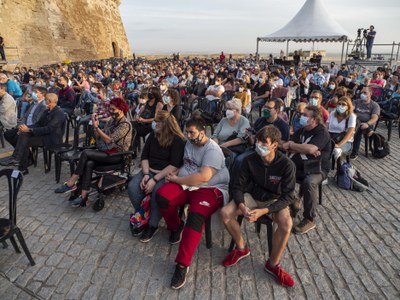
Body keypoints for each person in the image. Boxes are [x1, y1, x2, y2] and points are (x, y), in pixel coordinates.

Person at [155, 116, 230, 289]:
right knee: (162, 196)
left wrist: (176, 180)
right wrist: (175, 176)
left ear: (202, 133)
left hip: (210, 188)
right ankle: (175, 226)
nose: (188, 135)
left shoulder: (212, 150)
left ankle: (182, 264)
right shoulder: (189, 143)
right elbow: (187, 164)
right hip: (187, 183)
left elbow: (203, 176)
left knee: (196, 216)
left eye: (192, 132)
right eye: (187, 131)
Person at [220, 125, 296, 287]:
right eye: (258, 141)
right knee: (226, 213)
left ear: (275, 145)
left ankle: (273, 264)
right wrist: (242, 206)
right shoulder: (248, 159)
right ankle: (241, 248)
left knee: (286, 224)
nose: (259, 145)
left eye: (264, 142)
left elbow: (289, 196)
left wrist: (265, 211)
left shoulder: (287, 165)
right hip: (252, 196)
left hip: (273, 201)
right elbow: (237, 186)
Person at [54, 98, 132, 207]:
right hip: (106, 151)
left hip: (117, 155)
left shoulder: (125, 124)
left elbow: (109, 139)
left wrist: (96, 127)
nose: (111, 111)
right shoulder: (112, 120)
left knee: (86, 153)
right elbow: (100, 136)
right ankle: (84, 197)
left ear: (121, 109)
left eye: (113, 109)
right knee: (89, 163)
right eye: (110, 109)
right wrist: (96, 128)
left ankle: (72, 182)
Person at [127, 110, 186, 242]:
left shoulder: (177, 140)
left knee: (156, 194)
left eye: (157, 122)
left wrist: (154, 179)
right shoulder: (153, 136)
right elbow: (144, 156)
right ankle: (143, 214)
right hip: (149, 170)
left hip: (165, 173)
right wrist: (147, 174)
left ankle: (152, 225)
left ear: (165, 124)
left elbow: (174, 164)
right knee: (132, 187)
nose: (154, 124)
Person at [282, 105, 331, 234]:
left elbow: (309, 149)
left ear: (314, 119)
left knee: (309, 182)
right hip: (300, 165)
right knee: (282, 172)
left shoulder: (322, 132)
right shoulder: (302, 130)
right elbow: (288, 146)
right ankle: (293, 201)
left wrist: (297, 146)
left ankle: (309, 219)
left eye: (305, 115)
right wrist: (303, 147)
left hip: (317, 168)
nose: (301, 117)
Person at [0, 93, 65, 175]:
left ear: (49, 101)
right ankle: (18, 159)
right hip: (42, 133)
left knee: (24, 140)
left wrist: (29, 130)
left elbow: (49, 129)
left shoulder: (58, 113)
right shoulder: (47, 111)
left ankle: (21, 165)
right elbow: (38, 124)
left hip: (50, 138)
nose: (44, 102)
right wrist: (25, 128)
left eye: (45, 100)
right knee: (14, 134)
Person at [350, 87, 380, 160]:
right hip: (356, 122)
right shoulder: (356, 102)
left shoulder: (374, 105)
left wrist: (367, 124)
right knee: (356, 126)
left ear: (370, 94)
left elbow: (375, 117)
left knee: (358, 130)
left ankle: (355, 152)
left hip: (367, 123)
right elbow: (350, 109)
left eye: (365, 93)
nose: (362, 94)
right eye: (362, 92)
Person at [327, 96, 356, 161]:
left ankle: (340, 167)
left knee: (336, 150)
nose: (340, 106)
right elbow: (326, 127)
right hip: (331, 138)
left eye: (343, 104)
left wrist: (339, 145)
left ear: (348, 107)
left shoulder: (351, 116)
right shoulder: (332, 114)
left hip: (345, 141)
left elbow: (350, 133)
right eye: (339, 104)